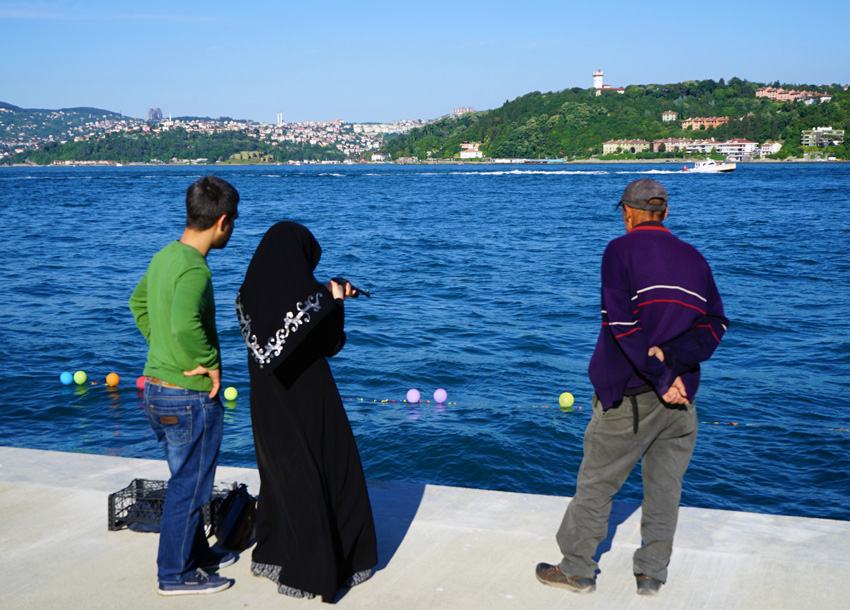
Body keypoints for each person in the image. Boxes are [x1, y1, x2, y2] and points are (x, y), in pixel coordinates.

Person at [536, 178, 728, 597]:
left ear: (627, 211)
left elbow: (623, 326)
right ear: (666, 212)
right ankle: (651, 575)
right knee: (664, 490)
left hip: (631, 394)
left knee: (597, 483)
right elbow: (717, 323)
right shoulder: (695, 259)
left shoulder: (618, 250)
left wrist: (661, 376)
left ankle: (577, 570)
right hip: (682, 396)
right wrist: (676, 369)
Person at [236, 221, 378, 603]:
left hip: (266, 402)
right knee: (330, 469)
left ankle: (277, 555)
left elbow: (274, 341)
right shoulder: (310, 296)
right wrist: (333, 301)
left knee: (283, 474)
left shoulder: (247, 294)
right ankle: (322, 568)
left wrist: (326, 298)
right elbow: (330, 344)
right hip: (310, 397)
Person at [129, 175, 240, 596]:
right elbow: (183, 323)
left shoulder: (164, 257)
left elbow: (138, 303)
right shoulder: (195, 269)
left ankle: (197, 555)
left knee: (184, 479)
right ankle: (174, 574)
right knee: (189, 488)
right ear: (223, 221)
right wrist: (209, 364)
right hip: (187, 396)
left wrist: (162, 349)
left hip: (156, 389)